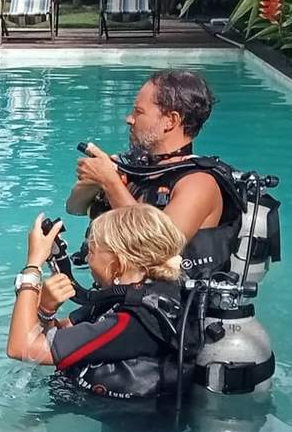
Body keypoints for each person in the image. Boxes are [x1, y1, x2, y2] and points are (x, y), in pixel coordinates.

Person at [66, 69, 244, 278]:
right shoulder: (137, 166)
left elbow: (159, 248)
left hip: (164, 297)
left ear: (171, 120)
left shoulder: (199, 183)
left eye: (138, 112)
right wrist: (96, 179)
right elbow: (74, 207)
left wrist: (110, 183)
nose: (129, 119)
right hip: (119, 290)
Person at [6, 207, 189, 400]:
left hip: (118, 418)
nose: (86, 258)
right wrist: (46, 309)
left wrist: (33, 266)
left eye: (91, 251)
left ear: (118, 264)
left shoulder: (134, 320)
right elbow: (57, 336)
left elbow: (22, 348)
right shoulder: (141, 294)